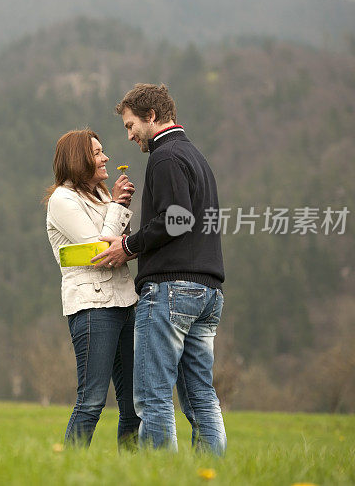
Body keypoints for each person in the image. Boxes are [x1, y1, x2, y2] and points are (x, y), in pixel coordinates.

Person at [92, 83, 227, 455]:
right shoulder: (196, 157)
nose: (129, 133)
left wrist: (128, 245)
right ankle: (212, 475)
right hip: (208, 292)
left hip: (171, 290)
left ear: (151, 117)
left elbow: (177, 219)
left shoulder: (165, 157)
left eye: (130, 124)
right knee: (201, 396)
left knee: (152, 397)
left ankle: (159, 476)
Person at [44, 127, 140, 449]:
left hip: (126, 304)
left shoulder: (100, 195)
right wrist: (115, 205)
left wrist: (114, 203)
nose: (105, 157)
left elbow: (120, 243)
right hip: (92, 308)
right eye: (98, 152)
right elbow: (100, 250)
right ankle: (69, 470)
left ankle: (130, 472)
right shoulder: (62, 200)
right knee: (92, 400)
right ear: (79, 159)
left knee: (133, 404)